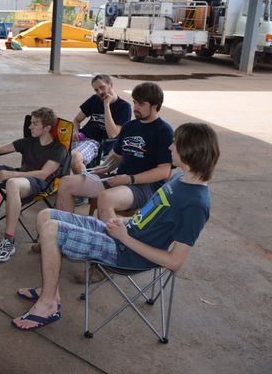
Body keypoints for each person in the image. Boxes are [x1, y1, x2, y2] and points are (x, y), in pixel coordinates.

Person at [11, 123, 220, 331]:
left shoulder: (196, 204)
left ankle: (48, 306)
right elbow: (151, 217)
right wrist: (125, 223)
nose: (170, 147)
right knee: (45, 215)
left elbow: (174, 262)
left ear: (190, 151)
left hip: (128, 254)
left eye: (176, 143)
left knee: (51, 230)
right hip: (122, 236)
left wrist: (125, 238)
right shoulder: (180, 179)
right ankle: (50, 291)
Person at [56, 82, 174, 222]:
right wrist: (100, 168)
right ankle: (64, 229)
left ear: (155, 106)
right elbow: (116, 157)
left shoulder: (164, 131)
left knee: (106, 198)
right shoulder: (130, 126)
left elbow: (164, 171)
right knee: (66, 183)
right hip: (119, 179)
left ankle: (107, 242)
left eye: (141, 104)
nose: (135, 108)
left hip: (144, 187)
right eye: (134, 102)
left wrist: (130, 179)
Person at [0, 107, 68, 262]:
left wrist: (11, 175)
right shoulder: (29, 142)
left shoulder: (59, 149)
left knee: (13, 184)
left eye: (34, 123)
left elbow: (43, 174)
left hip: (38, 183)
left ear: (47, 128)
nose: (30, 127)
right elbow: (1, 148)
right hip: (19, 176)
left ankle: (9, 241)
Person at [70, 74, 132, 175]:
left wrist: (106, 105)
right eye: (96, 90)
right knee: (52, 148)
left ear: (111, 84)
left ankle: (85, 186)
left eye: (102, 87)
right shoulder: (95, 99)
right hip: (81, 137)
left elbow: (113, 134)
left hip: (97, 142)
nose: (100, 92)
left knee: (75, 157)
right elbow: (77, 120)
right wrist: (75, 131)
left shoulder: (124, 107)